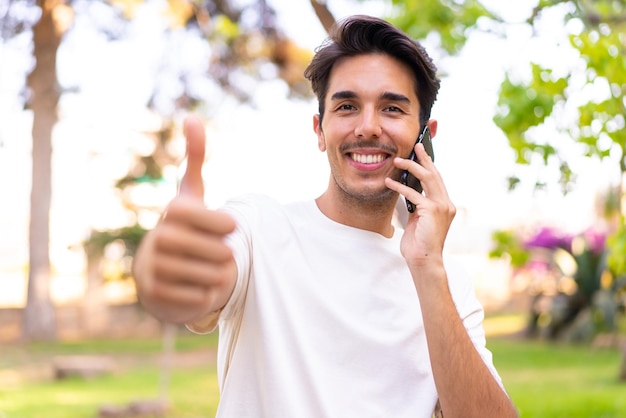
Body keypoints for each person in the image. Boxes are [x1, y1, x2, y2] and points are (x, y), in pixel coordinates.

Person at [132, 14, 519, 418]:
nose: (368, 127)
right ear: (320, 129)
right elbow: (198, 286)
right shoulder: (258, 228)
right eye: (347, 106)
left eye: (392, 108)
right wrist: (162, 268)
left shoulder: (446, 279)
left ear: (426, 135)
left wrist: (427, 268)